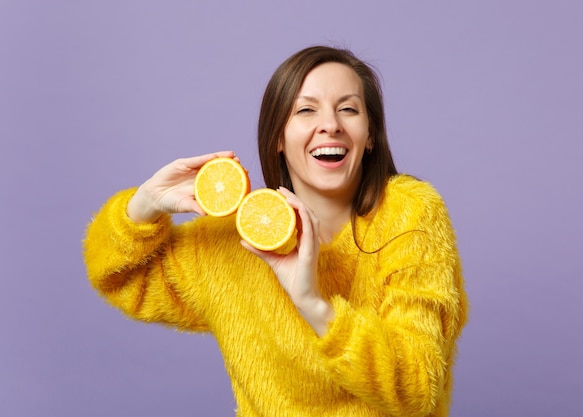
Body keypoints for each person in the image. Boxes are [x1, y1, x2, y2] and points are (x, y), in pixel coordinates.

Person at [83, 45, 468, 417]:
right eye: (306, 110)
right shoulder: (232, 240)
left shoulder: (410, 213)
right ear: (278, 139)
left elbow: (417, 386)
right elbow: (119, 277)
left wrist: (313, 303)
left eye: (348, 109)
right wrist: (145, 204)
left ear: (369, 137)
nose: (330, 125)